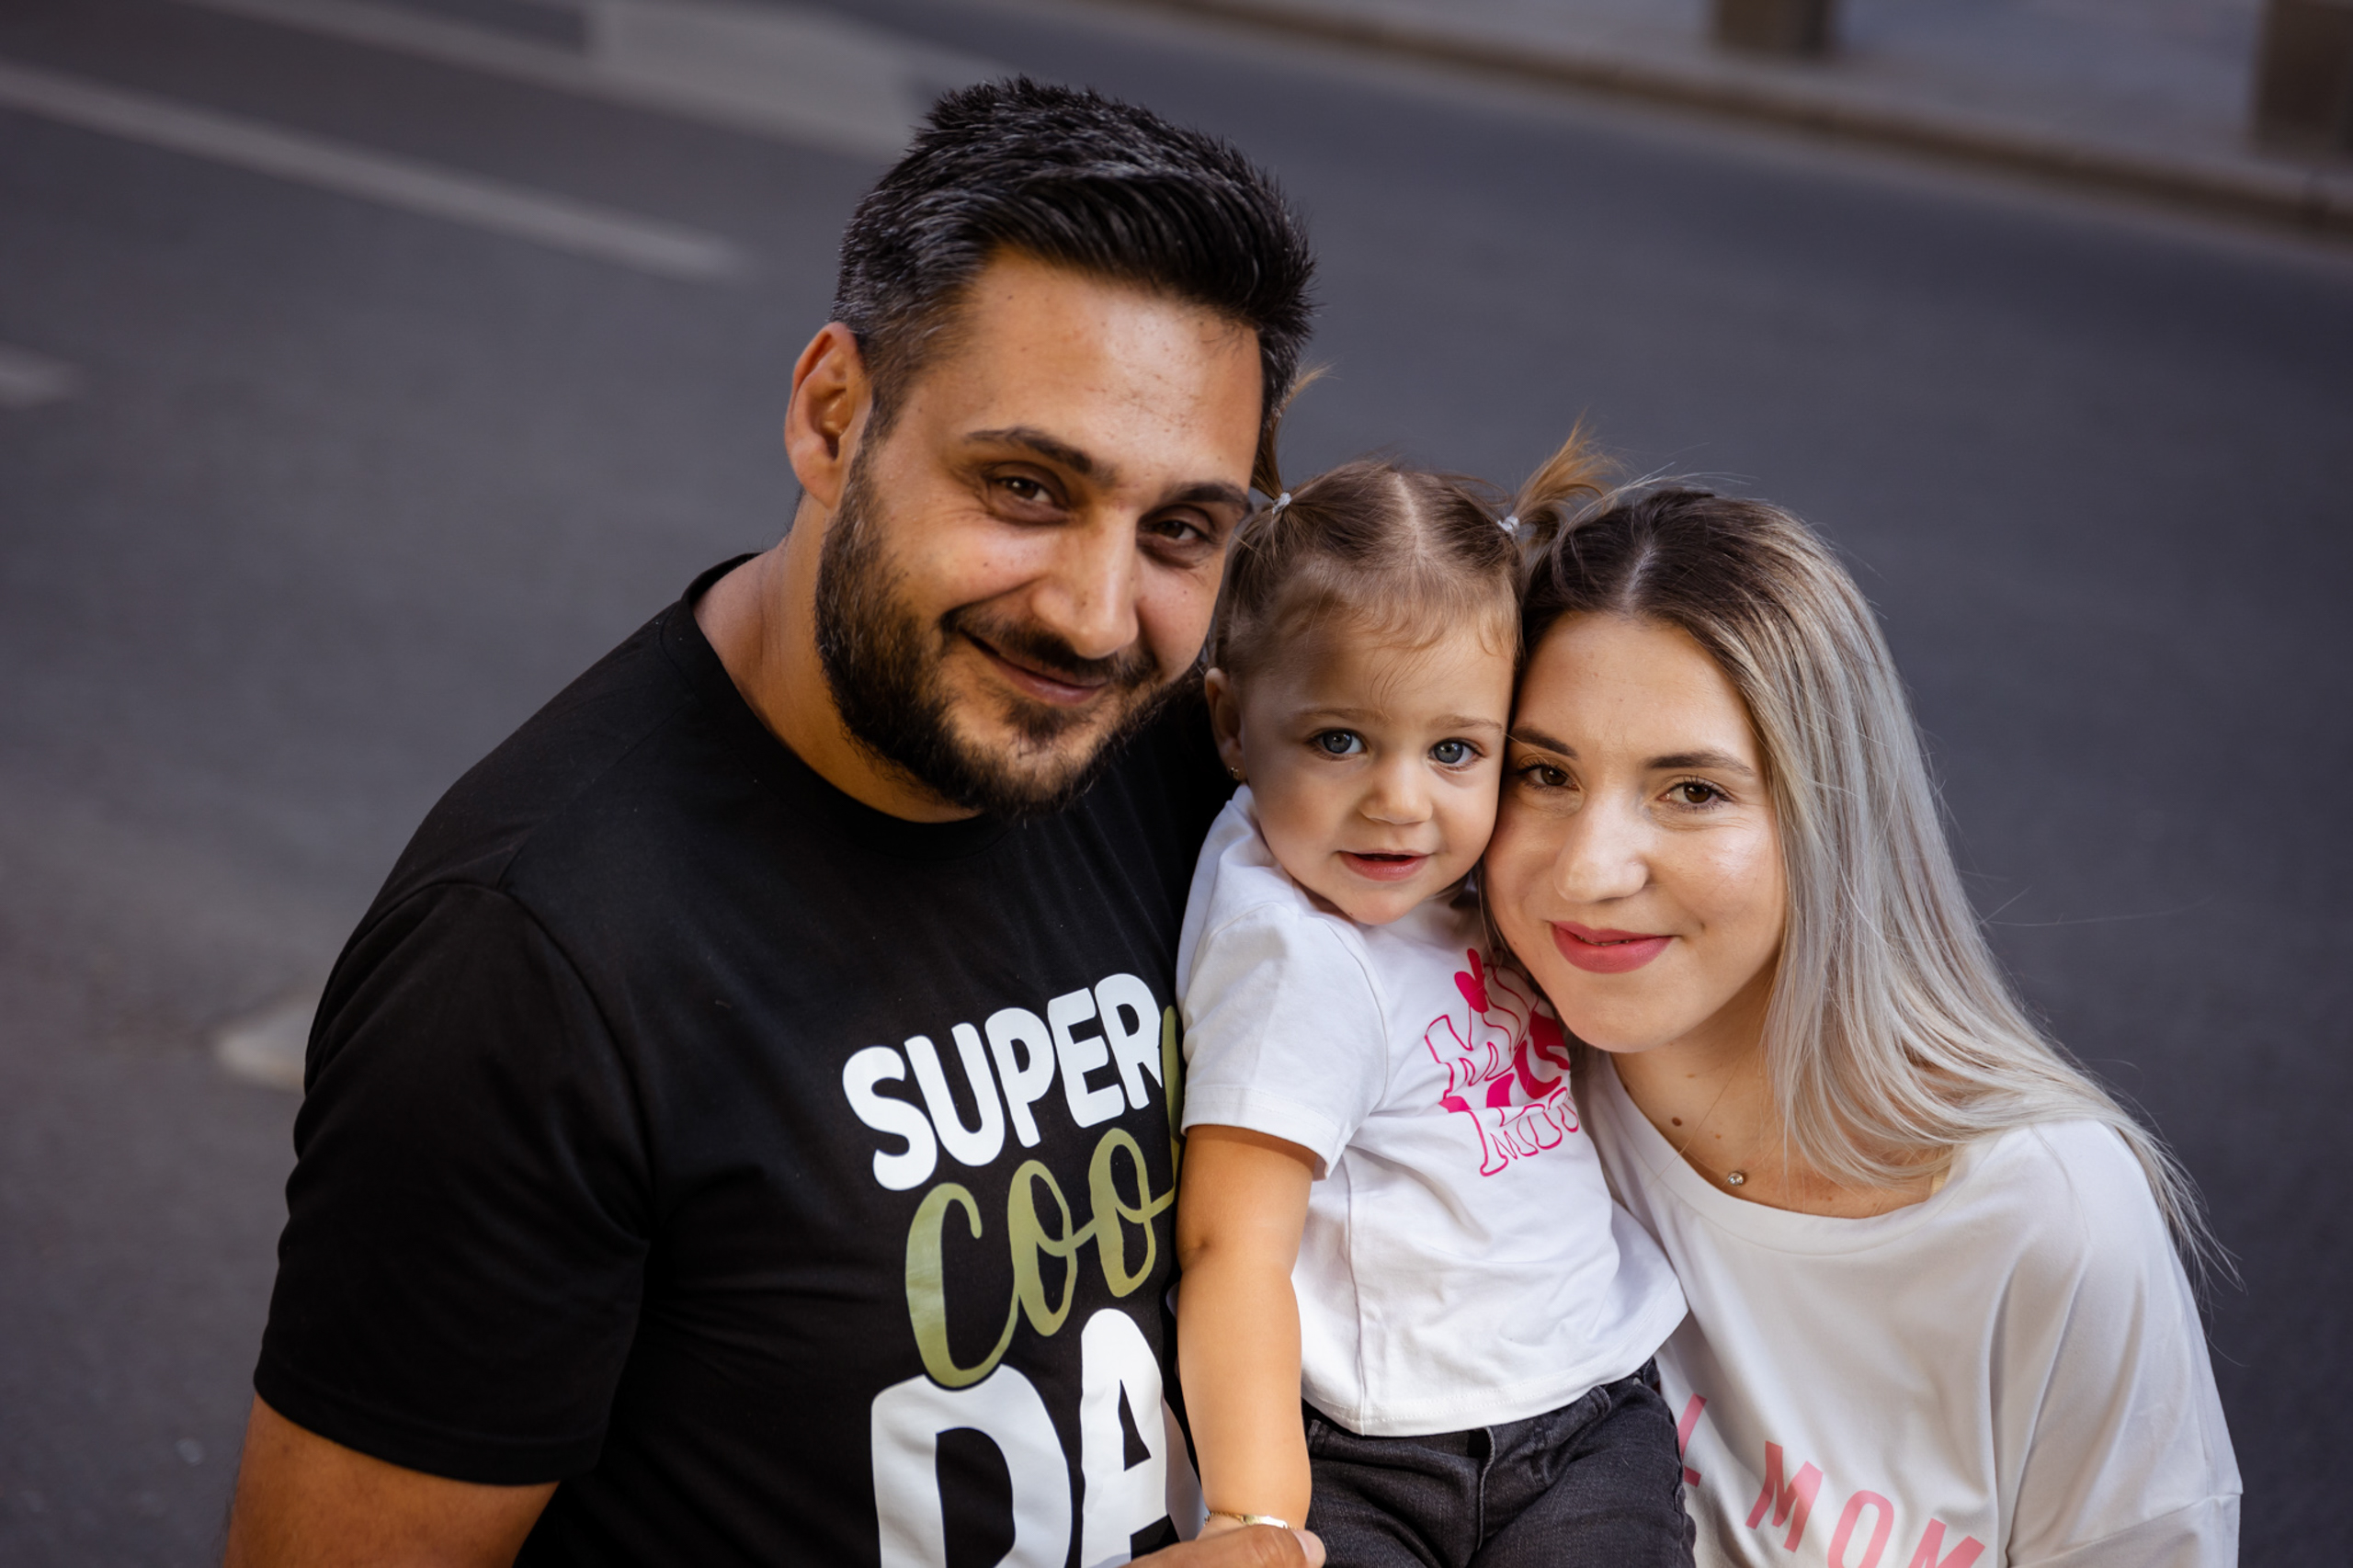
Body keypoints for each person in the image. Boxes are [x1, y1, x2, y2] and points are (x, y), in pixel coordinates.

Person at [223, 80, 1329, 1567]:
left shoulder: (1173, 755)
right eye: (1024, 486)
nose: (1093, 615)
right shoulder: (529, 964)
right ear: (832, 416)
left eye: (1179, 529)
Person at [1481, 485, 2241, 1566]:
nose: (1589, 869)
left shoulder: (2050, 1217)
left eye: (1691, 790)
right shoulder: (1457, 1106)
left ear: (1828, 814)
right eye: (1544, 773)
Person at [1170, 441, 1692, 1566]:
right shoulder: (1296, 953)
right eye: (1339, 740)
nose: (1400, 801)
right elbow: (1229, 1240)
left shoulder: (1459, 876)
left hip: (1588, 1411)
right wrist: (1257, 1513)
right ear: (1231, 725)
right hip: (1375, 1448)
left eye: (1454, 748)